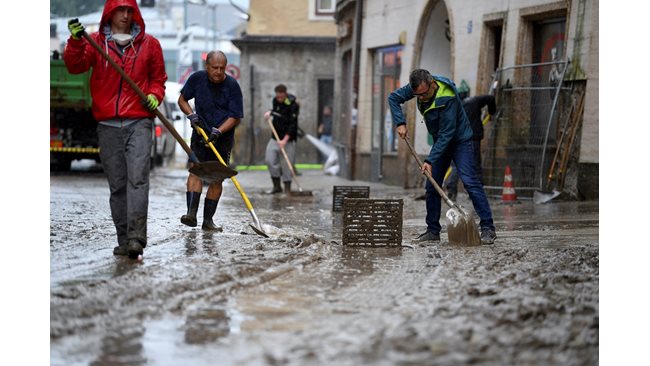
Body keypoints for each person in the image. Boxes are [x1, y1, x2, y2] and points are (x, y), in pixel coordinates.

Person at [64, 0, 167, 259]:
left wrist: (155, 95)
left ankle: (136, 238)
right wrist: (75, 42)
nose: (124, 15)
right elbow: (75, 66)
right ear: (109, 13)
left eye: (129, 10)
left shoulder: (150, 45)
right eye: (120, 10)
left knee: (138, 179)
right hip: (107, 124)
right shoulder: (95, 42)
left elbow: (158, 79)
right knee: (118, 185)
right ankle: (123, 239)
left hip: (139, 121)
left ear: (136, 14)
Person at [387, 69, 497, 244]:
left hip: (460, 140)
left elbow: (447, 133)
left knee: (470, 181)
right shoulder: (417, 88)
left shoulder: (448, 98)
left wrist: (430, 160)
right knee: (432, 185)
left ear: (432, 84)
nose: (421, 98)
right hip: (441, 141)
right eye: (417, 95)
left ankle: (488, 228)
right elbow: (393, 98)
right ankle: (433, 231)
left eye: (423, 94)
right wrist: (400, 122)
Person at [178, 51, 243, 231]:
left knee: (217, 178)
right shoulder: (197, 79)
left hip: (222, 138)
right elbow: (182, 100)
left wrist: (219, 131)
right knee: (195, 172)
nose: (218, 72)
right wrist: (191, 114)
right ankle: (191, 214)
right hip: (200, 134)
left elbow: (236, 116)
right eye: (214, 68)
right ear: (207, 67)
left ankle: (208, 221)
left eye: (222, 68)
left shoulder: (232, 86)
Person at [444, 88, 497, 200]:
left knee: (456, 166)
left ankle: (452, 191)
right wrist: (492, 112)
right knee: (475, 165)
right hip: (472, 139)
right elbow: (491, 98)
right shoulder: (474, 101)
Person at [264, 84, 300, 194]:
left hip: (288, 140)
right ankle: (276, 186)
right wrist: (269, 112)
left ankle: (287, 189)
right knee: (270, 160)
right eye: (277, 96)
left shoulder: (293, 105)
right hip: (275, 137)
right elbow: (275, 111)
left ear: (285, 93)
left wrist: (285, 140)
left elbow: (293, 125)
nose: (279, 98)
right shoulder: (275, 100)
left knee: (286, 164)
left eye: (281, 96)